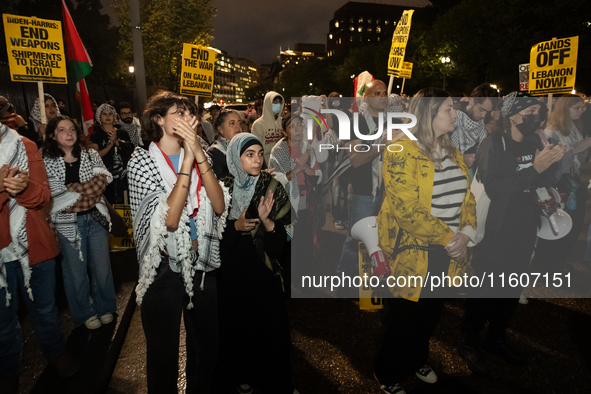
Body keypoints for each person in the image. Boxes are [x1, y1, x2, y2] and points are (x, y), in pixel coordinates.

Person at [373, 88, 477, 394]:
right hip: (414, 250)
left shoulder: (452, 151)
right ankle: (387, 372)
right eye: (448, 108)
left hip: (449, 249)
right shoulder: (401, 151)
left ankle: (417, 358)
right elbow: (406, 211)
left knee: (430, 314)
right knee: (403, 319)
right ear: (429, 114)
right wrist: (450, 238)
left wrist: (467, 232)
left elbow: (468, 198)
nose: (454, 113)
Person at [127, 91, 227, 393]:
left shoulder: (202, 154)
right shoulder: (141, 161)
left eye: (190, 114)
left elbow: (220, 206)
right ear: (158, 119)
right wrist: (186, 159)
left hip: (201, 264)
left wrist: (196, 152)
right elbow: (169, 220)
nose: (188, 120)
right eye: (179, 114)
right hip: (162, 269)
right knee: (163, 355)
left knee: (207, 346)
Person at [459, 92, 565, 375]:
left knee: (510, 289)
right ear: (513, 115)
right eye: (529, 111)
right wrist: (535, 168)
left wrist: (550, 167)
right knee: (484, 289)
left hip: (525, 226)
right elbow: (497, 189)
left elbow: (540, 181)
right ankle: (469, 342)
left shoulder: (533, 142)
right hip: (497, 229)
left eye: (537, 112)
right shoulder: (493, 144)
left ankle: (496, 338)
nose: (535, 117)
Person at [215, 133, 296, 394]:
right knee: (239, 329)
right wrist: (235, 226)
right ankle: (244, 376)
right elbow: (213, 240)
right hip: (232, 275)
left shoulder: (273, 188)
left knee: (272, 331)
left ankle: (279, 383)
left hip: (264, 272)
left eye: (260, 154)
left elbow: (280, 245)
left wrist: (269, 223)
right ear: (234, 158)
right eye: (250, 155)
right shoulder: (221, 189)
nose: (258, 160)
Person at [0, 123, 78, 393]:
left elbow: (45, 196)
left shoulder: (25, 145)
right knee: (3, 322)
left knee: (45, 310)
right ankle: (8, 370)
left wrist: (24, 187)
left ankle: (56, 353)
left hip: (36, 246)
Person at [42, 116, 117, 330]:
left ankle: (105, 307)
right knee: (76, 271)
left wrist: (71, 190)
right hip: (67, 224)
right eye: (62, 130)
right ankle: (85, 312)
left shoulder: (91, 154)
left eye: (72, 129)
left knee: (102, 267)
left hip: (95, 219)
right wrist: (81, 192)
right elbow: (55, 195)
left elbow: (101, 183)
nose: (69, 133)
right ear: (52, 135)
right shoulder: (45, 159)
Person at [335, 80, 387, 289]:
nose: (382, 97)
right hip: (364, 191)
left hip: (386, 190)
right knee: (356, 238)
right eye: (377, 93)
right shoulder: (355, 122)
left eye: (385, 93)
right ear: (366, 97)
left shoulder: (391, 121)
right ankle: (343, 281)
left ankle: (374, 283)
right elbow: (355, 159)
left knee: (381, 238)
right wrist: (379, 147)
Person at [532, 94, 589, 272]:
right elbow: (552, 164)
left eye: (583, 107)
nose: (581, 111)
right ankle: (545, 266)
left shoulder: (572, 128)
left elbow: (578, 160)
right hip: (559, 184)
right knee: (556, 225)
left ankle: (556, 263)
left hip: (572, 181)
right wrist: (576, 150)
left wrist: (581, 149)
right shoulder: (551, 131)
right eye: (577, 107)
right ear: (565, 108)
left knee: (573, 226)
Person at [270, 114, 321, 288]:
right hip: (287, 205)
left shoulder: (308, 149)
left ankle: (305, 282)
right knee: (289, 246)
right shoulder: (278, 151)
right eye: (292, 126)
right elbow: (276, 181)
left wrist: (305, 168)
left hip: (306, 203)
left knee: (305, 242)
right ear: (284, 130)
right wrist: (297, 168)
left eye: (300, 125)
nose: (297, 129)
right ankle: (287, 283)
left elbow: (319, 176)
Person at [90, 103, 134, 204]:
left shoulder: (122, 133)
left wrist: (117, 142)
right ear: (99, 117)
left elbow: (130, 150)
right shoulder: (96, 135)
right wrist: (109, 146)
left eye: (110, 114)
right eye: (104, 114)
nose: (107, 116)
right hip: (105, 176)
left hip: (123, 176)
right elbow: (96, 156)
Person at [450, 83, 498, 171]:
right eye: (481, 109)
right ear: (472, 101)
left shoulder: (481, 127)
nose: (483, 115)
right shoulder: (453, 118)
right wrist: (461, 158)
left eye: (487, 112)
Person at [207, 109, 244, 179]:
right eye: (232, 123)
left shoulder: (248, 147)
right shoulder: (214, 154)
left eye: (240, 123)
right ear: (221, 130)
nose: (238, 126)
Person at [252, 91, 285, 165]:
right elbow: (256, 148)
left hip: (281, 162)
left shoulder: (283, 122)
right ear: (268, 103)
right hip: (265, 163)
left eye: (279, 102)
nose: (278, 104)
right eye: (275, 102)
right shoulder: (258, 124)